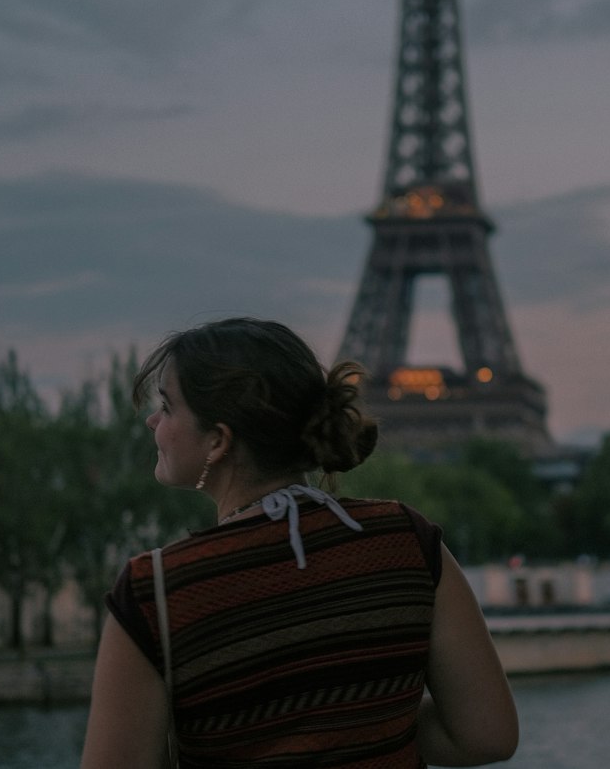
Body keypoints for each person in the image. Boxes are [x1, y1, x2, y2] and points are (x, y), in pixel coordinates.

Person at [80, 317, 518, 768]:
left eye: (168, 407)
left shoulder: (156, 592)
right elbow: (487, 736)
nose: (153, 420)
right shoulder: (406, 538)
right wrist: (372, 720)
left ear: (218, 441)